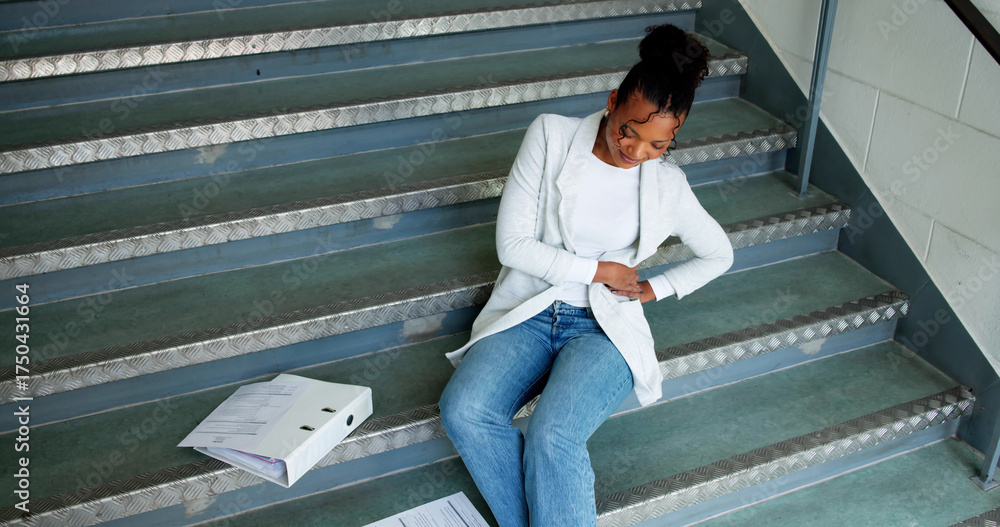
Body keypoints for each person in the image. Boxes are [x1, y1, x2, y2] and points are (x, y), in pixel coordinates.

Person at [438, 24, 734, 526]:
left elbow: (718, 253)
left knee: (554, 435)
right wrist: (603, 269)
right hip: (530, 310)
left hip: (604, 326)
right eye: (629, 130)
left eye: (658, 144)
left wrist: (654, 288)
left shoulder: (669, 186)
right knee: (464, 411)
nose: (636, 152)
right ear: (613, 100)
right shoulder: (552, 135)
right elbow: (512, 246)